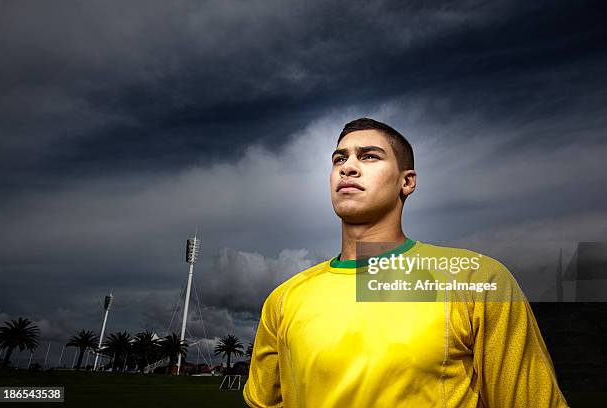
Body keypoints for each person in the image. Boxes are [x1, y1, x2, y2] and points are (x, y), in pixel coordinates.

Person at [243, 118, 569, 407]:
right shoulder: (285, 299)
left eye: (369, 156)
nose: (348, 167)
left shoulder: (476, 279)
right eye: (339, 159)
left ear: (407, 181)